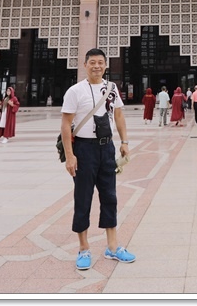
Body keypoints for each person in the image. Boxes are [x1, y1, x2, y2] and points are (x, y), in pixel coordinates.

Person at [60, 48, 135, 270]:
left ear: (105, 65)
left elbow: (119, 116)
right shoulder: (75, 91)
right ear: (85, 65)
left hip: (106, 148)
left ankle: (113, 247)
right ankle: (83, 248)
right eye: (92, 62)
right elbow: (66, 124)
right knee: (83, 198)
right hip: (83, 150)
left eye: (100, 62)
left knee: (110, 196)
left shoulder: (111, 89)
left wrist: (124, 142)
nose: (96, 66)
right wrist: (70, 155)